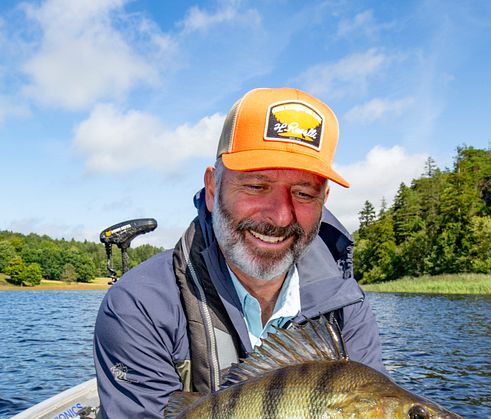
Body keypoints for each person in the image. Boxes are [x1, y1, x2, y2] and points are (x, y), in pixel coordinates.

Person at [93, 87, 385, 418]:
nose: (280, 216)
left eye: (303, 193)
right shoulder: (139, 306)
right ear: (213, 187)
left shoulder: (346, 307)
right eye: (257, 186)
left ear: (324, 202)